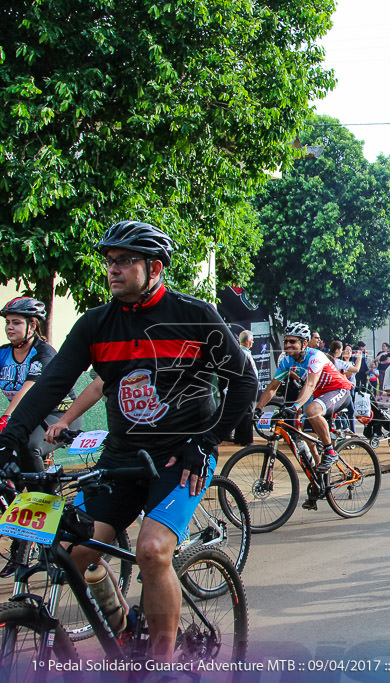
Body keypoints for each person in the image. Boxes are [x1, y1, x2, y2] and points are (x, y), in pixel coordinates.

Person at [0, 220, 256, 662]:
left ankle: (161, 663)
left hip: (181, 460)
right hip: (121, 459)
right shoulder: (97, 324)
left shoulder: (193, 315)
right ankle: (121, 631)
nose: (112, 269)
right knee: (71, 552)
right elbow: (51, 384)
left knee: (153, 550)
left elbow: (245, 382)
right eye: (109, 261)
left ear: (154, 267)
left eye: (124, 261)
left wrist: (207, 438)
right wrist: (9, 440)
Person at [255, 322, 353, 509]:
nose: (288, 345)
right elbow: (272, 387)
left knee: (311, 410)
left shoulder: (314, 356)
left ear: (304, 343)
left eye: (293, 341)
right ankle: (318, 484)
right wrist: (258, 409)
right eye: (286, 342)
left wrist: (296, 405)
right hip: (317, 396)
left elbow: (309, 385)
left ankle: (330, 452)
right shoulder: (286, 360)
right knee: (303, 438)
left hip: (338, 390)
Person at [0, 297, 80, 470]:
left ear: (32, 325)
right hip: (26, 416)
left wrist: (5, 419)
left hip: (60, 414)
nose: (9, 327)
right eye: (7, 322)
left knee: (28, 446)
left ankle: (43, 496)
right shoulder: (3, 353)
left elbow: (28, 390)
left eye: (16, 322)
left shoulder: (44, 352)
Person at [231, 329, 259, 446]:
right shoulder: (246, 354)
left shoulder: (238, 353)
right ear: (247, 341)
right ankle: (246, 439)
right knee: (248, 413)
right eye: (252, 341)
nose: (252, 343)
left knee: (243, 412)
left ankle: (239, 438)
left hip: (240, 387)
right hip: (247, 387)